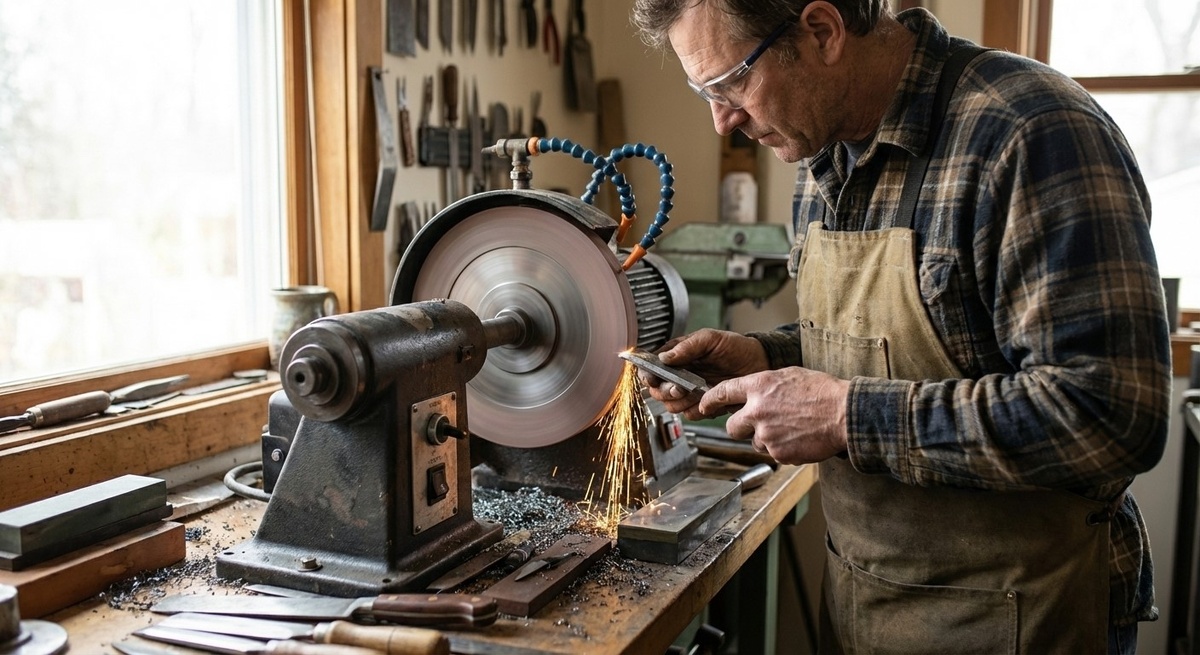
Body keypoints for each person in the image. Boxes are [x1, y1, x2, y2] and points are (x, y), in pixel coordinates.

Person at [629, 1, 1172, 653]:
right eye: (703, 93)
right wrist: (760, 355)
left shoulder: (1029, 132)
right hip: (870, 607)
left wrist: (843, 417)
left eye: (731, 84)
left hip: (1023, 620)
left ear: (823, 32)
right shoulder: (824, 153)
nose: (723, 121)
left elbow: (1110, 413)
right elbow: (917, 340)